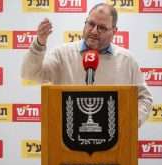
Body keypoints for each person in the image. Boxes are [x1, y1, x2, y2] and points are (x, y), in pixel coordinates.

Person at [21, 3, 152, 127]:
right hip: (68, 138)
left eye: (102, 27)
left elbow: (144, 98)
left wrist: (131, 122)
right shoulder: (62, 54)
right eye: (91, 24)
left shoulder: (127, 60)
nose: (94, 31)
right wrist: (39, 44)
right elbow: (30, 74)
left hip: (114, 141)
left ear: (114, 31)